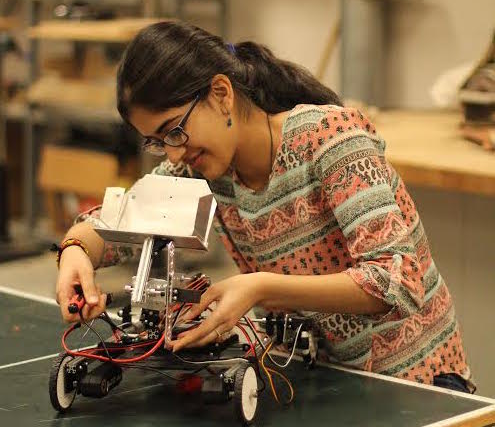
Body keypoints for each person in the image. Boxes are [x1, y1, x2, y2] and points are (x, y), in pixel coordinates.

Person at [55, 21, 474, 393]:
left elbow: (395, 281)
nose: (173, 153)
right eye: (157, 142)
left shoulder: (333, 142)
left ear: (221, 93)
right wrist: (76, 251)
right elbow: (117, 222)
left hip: (416, 385)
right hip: (322, 383)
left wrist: (260, 286)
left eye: (175, 131)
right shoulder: (201, 171)